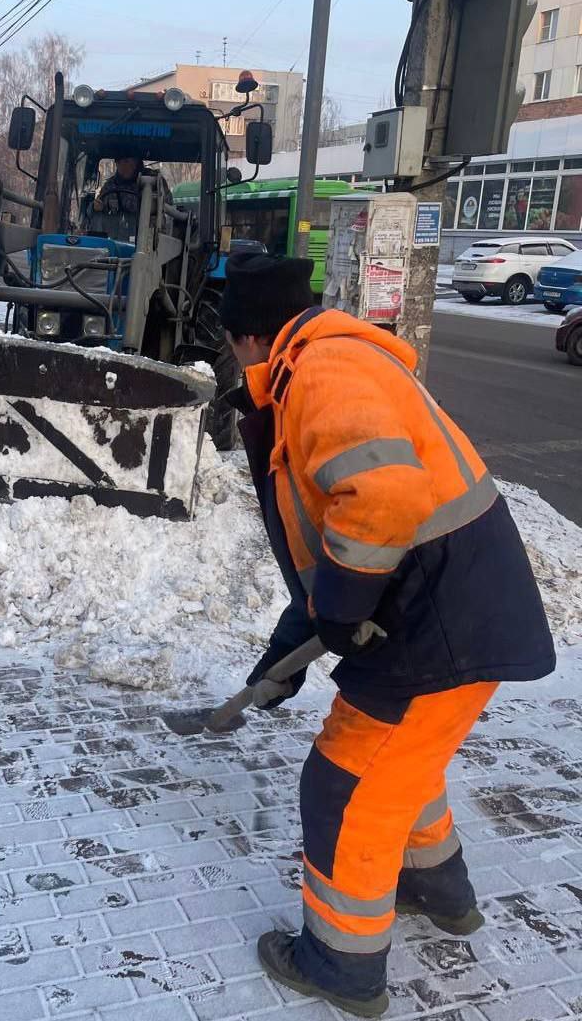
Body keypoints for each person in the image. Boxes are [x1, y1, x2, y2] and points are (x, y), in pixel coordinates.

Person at [219, 251, 555, 1018]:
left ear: (246, 338)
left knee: (343, 785)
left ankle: (341, 962)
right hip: (456, 607)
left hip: (443, 620)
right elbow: (336, 531)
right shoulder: (334, 361)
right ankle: (435, 886)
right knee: (404, 763)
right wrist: (296, 634)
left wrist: (337, 611)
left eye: (231, 344)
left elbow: (382, 494)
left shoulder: (324, 374)